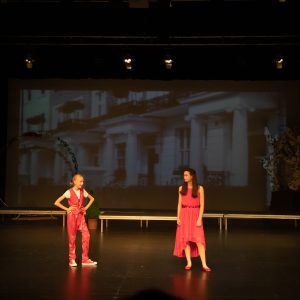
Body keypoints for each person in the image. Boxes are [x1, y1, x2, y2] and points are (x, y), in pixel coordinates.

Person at [54, 173, 97, 267]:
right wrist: (67, 209)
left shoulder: (83, 191)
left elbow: (92, 199)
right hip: (72, 217)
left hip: (81, 217)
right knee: (72, 238)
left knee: (87, 236)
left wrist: (85, 208)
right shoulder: (69, 192)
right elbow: (56, 202)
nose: (82, 183)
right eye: (80, 181)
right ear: (74, 181)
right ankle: (72, 259)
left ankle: (85, 259)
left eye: (83, 181)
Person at [173, 167, 211, 272]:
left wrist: (199, 218)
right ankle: (189, 262)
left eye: (186, 175)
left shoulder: (200, 189)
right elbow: (179, 204)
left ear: (192, 176)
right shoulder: (181, 188)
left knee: (199, 240)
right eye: (184, 175)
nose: (184, 177)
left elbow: (202, 205)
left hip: (195, 215)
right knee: (186, 240)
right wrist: (178, 218)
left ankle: (204, 264)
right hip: (184, 215)